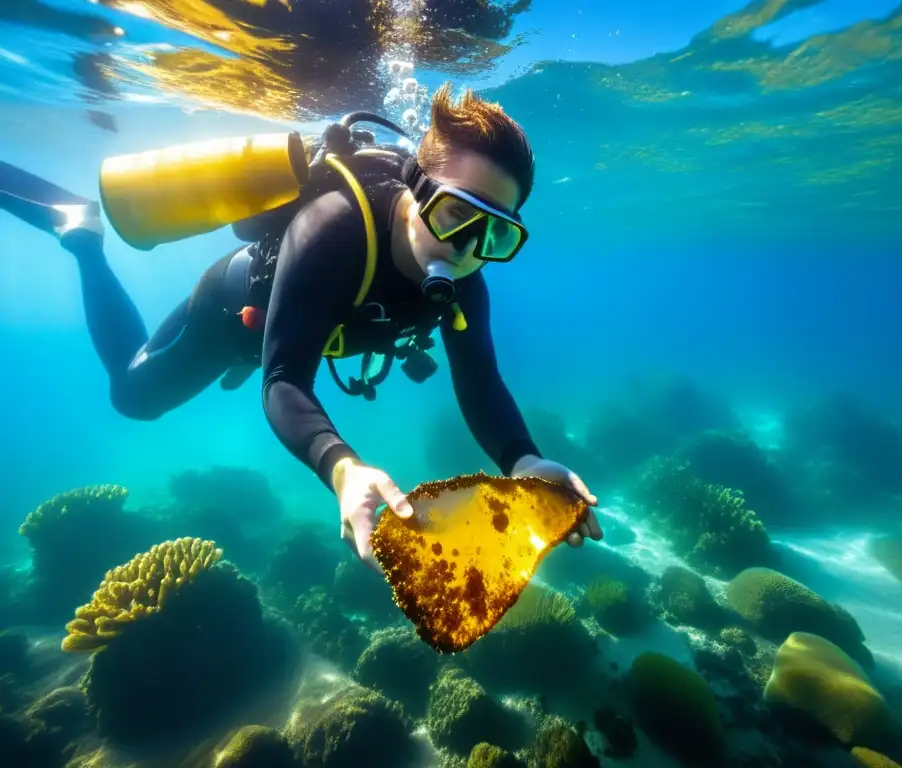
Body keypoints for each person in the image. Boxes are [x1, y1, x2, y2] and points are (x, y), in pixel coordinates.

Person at [0, 83, 603, 571]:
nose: (469, 247)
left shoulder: (467, 275)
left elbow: (480, 378)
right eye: (454, 214)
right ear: (416, 190)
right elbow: (285, 377)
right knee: (133, 397)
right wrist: (341, 466)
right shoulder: (334, 229)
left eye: (497, 233)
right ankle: (83, 239)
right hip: (235, 318)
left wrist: (523, 461)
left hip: (302, 332)